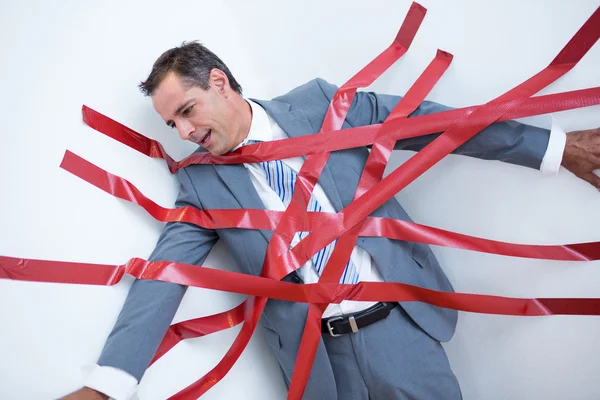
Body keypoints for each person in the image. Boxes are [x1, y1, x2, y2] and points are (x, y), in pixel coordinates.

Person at [62, 42, 600, 400]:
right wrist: (109, 383)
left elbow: (437, 126)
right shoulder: (200, 184)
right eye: (170, 122)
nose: (182, 131)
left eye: (187, 109)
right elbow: (163, 278)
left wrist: (554, 149)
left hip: (400, 333)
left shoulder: (323, 106)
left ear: (220, 82)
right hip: (318, 365)